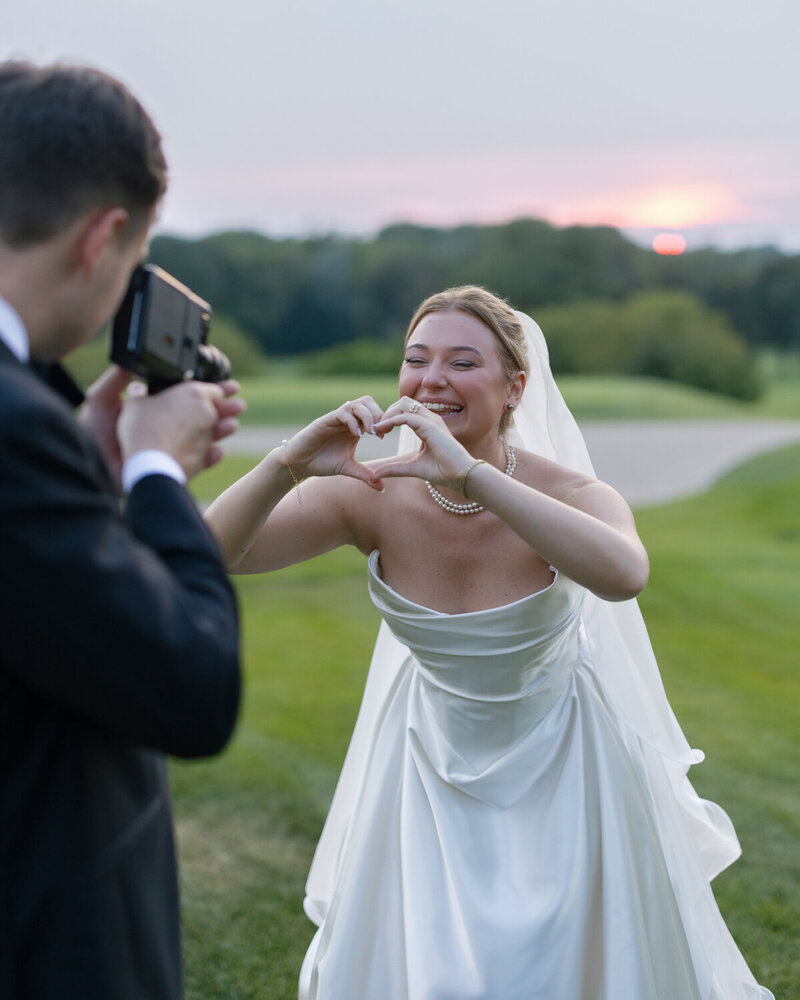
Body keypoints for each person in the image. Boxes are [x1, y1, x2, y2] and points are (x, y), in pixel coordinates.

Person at [205, 286, 772, 999]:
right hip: (424, 767)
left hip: (567, 767)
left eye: (462, 362)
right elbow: (209, 550)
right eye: (416, 359)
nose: (432, 379)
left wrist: (472, 474)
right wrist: (287, 462)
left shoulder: (571, 493)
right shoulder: (368, 494)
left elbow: (625, 574)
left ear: (515, 389)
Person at [0, 61, 244, 1000]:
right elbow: (191, 684)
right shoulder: (17, 429)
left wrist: (85, 468)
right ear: (104, 239)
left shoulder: (32, 427)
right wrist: (154, 470)